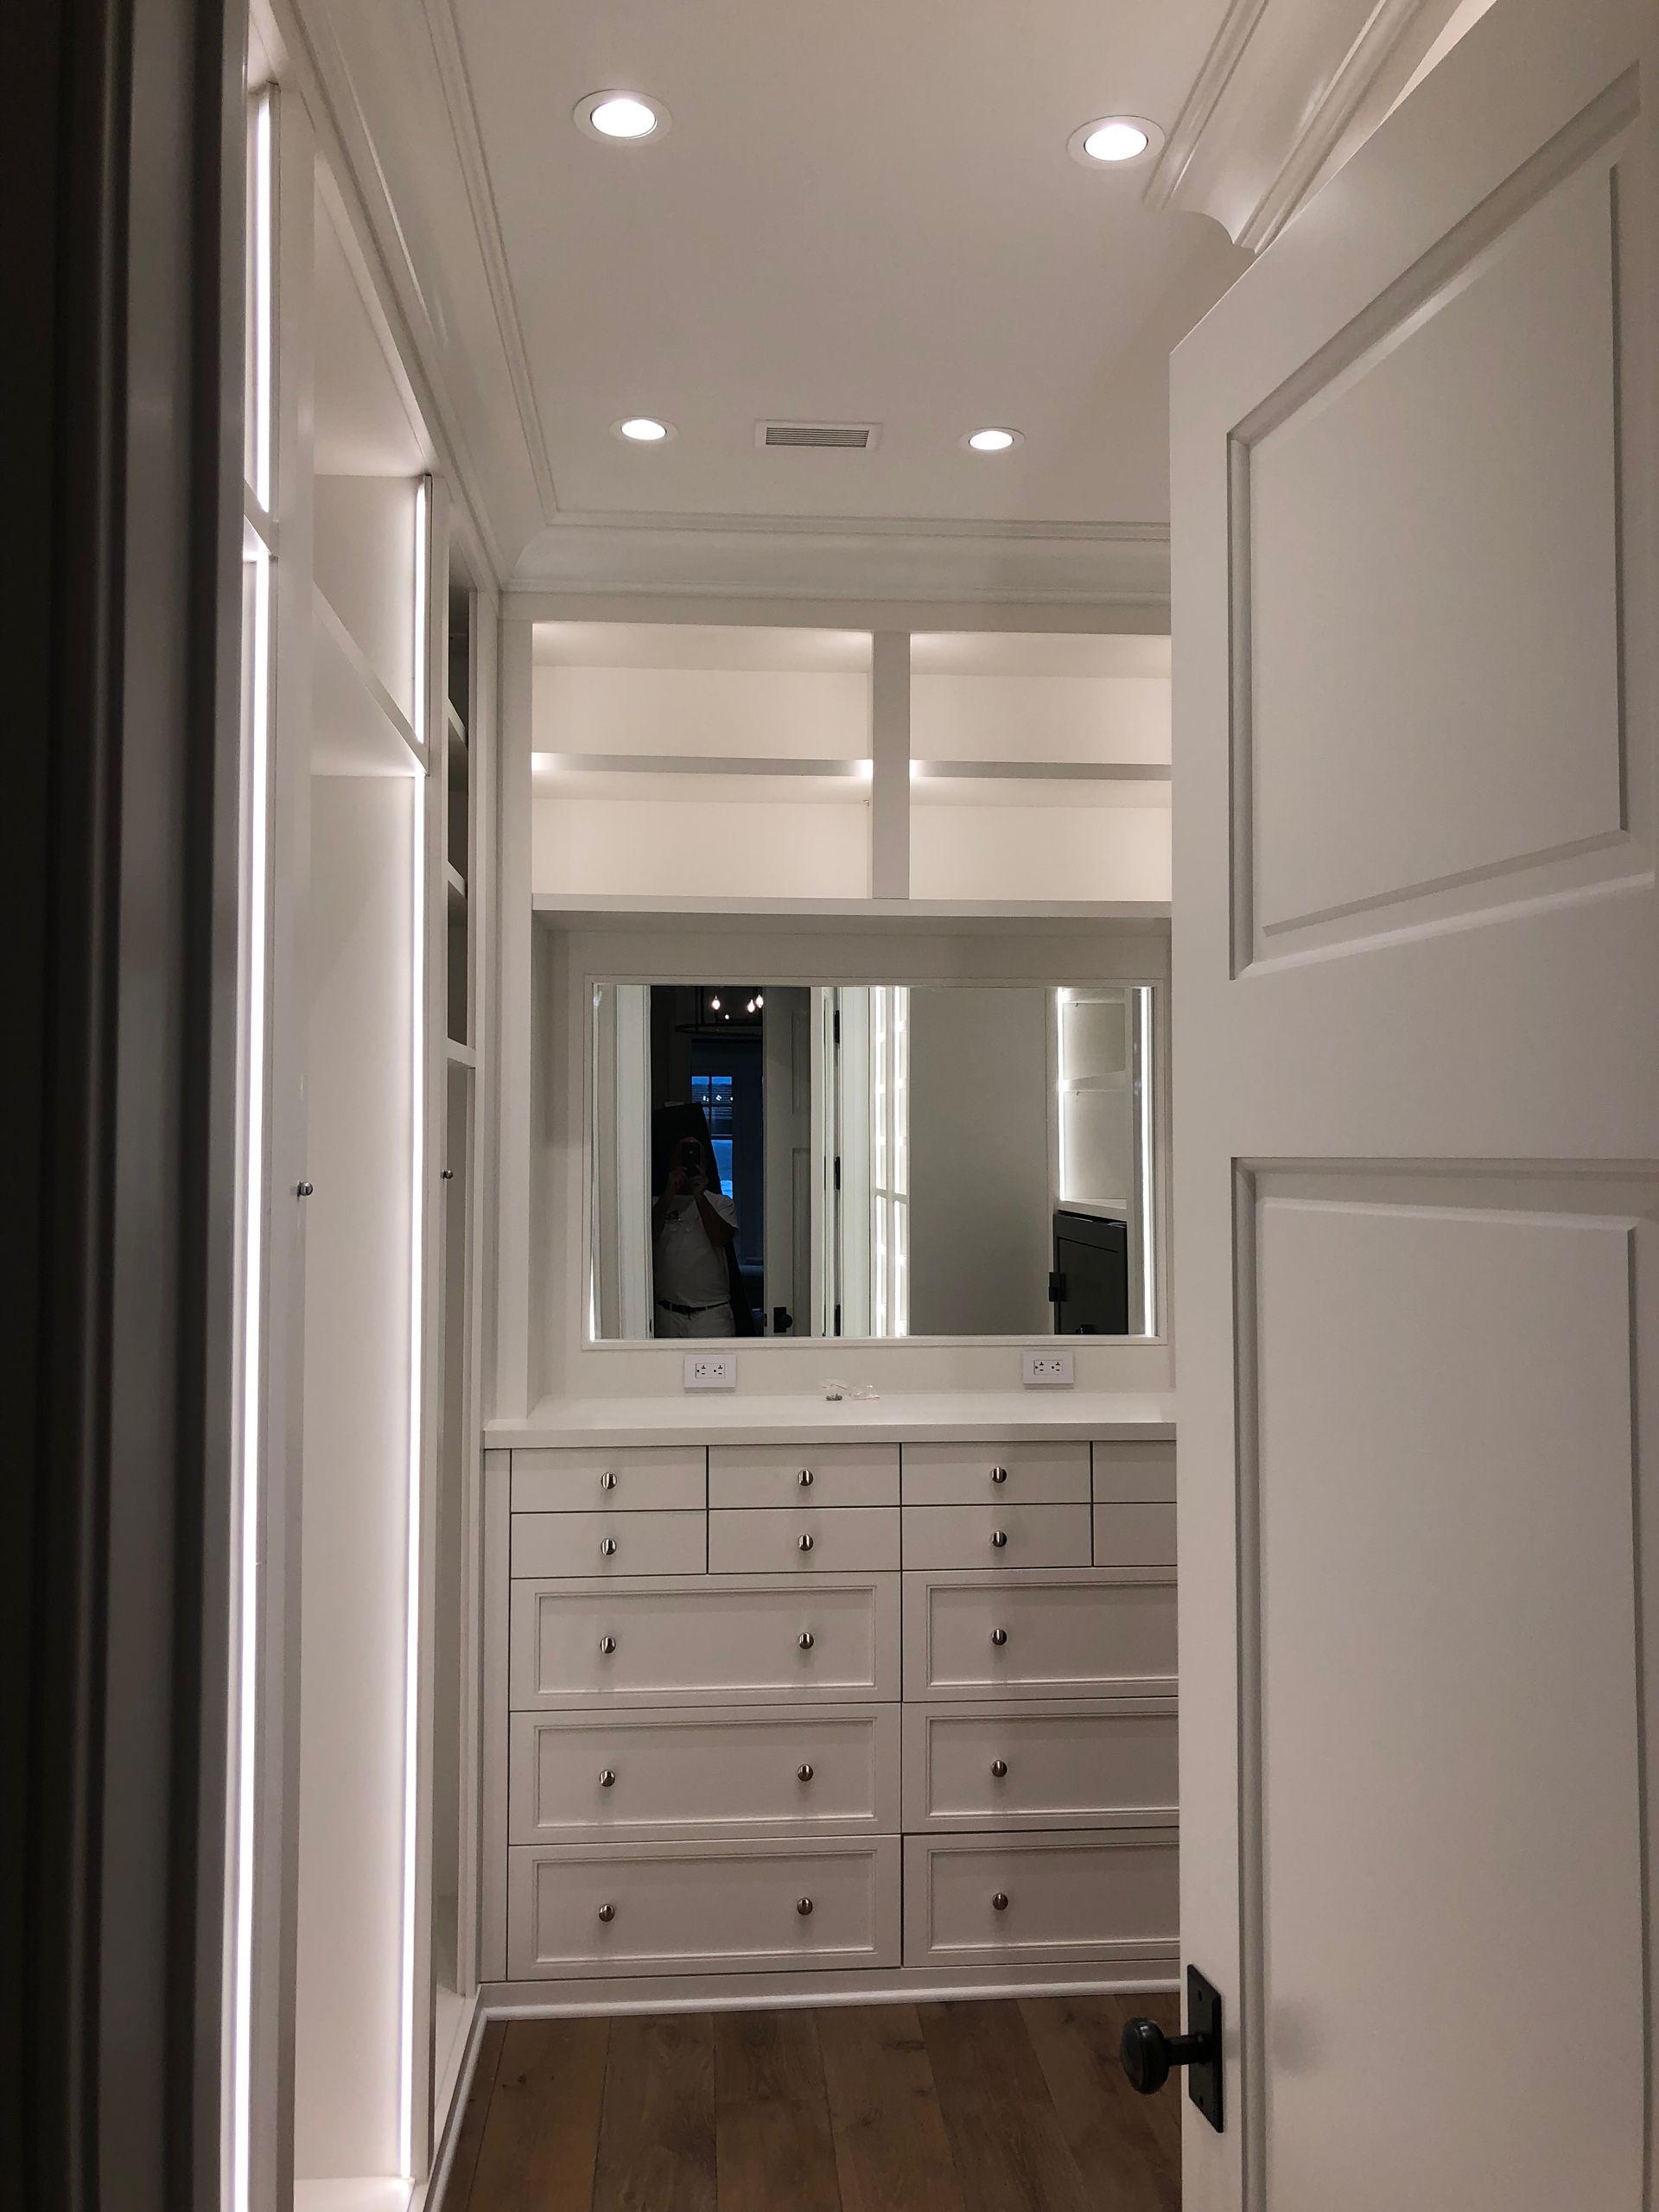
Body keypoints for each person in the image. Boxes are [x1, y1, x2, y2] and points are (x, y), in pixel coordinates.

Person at [650, 1107, 744, 1337]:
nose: (689, 1163)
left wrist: (700, 1196)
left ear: (705, 1164)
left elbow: (720, 1238)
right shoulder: (655, 1203)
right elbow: (646, 1238)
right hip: (667, 1312)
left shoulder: (721, 1203)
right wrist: (669, 1194)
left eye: (696, 1158)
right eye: (682, 1157)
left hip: (712, 1314)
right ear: (671, 1162)